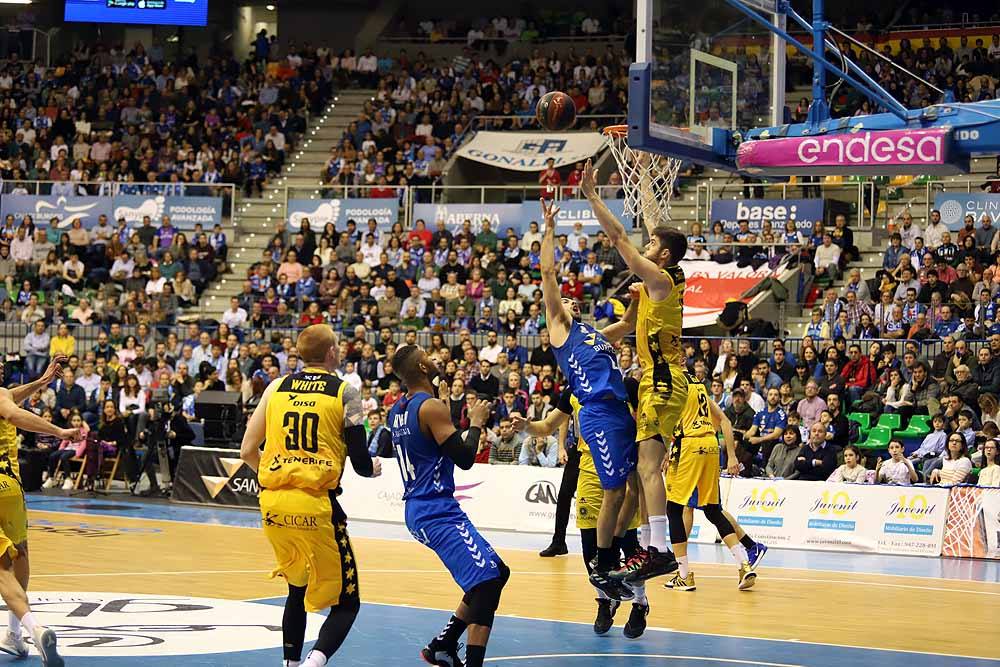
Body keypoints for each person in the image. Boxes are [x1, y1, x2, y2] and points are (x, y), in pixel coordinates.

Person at [238, 324, 381, 667]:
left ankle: (290, 662)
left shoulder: (276, 387)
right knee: (347, 603)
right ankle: (314, 664)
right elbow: (360, 462)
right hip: (316, 504)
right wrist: (372, 467)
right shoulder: (346, 392)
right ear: (332, 353)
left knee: (296, 589)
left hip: (273, 503)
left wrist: (275, 479)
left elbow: (246, 450)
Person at [581, 160, 687, 585]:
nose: (644, 245)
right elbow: (649, 222)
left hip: (663, 381)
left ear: (661, 255)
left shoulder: (660, 280)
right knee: (642, 475)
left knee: (647, 469)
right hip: (653, 383)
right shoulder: (657, 281)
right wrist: (643, 170)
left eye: (652, 244)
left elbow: (620, 236)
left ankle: (660, 551)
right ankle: (649, 546)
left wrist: (592, 195)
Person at [536, 199, 644, 600]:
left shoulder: (594, 334)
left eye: (573, 302)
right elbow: (548, 272)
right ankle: (602, 562)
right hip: (598, 412)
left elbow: (629, 324)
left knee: (633, 487)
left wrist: (634, 296)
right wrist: (549, 228)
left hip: (619, 411)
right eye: (564, 302)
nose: (570, 303)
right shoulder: (561, 331)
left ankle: (617, 554)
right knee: (616, 490)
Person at [388, 344, 510, 667]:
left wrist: (447, 413)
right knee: (485, 584)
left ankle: (442, 644)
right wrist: (476, 421)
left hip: (422, 508)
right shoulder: (430, 408)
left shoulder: (399, 409)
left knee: (498, 572)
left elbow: (436, 445)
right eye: (428, 356)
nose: (435, 357)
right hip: (435, 510)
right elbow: (466, 458)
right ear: (424, 370)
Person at [514, 377, 650, 638]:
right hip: (588, 468)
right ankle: (604, 600)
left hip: (623, 467)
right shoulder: (574, 391)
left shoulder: (626, 386)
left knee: (628, 544)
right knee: (590, 546)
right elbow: (547, 425)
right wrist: (526, 426)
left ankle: (639, 602)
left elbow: (643, 423)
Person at [0, 354, 78, 666]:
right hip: (10, 487)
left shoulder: (3, 394)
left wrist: (42, 383)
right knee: (21, 552)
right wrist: (58, 431)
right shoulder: (2, 395)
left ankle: (34, 629)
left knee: (2, 569)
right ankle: (15, 634)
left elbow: (9, 401)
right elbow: (11, 409)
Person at [661, 373, 762, 592]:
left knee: (674, 509)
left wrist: (663, 451)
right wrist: (732, 455)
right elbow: (722, 420)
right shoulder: (696, 383)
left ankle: (684, 575)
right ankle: (743, 565)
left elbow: (663, 419)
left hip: (688, 446)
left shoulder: (669, 379)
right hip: (710, 445)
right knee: (713, 510)